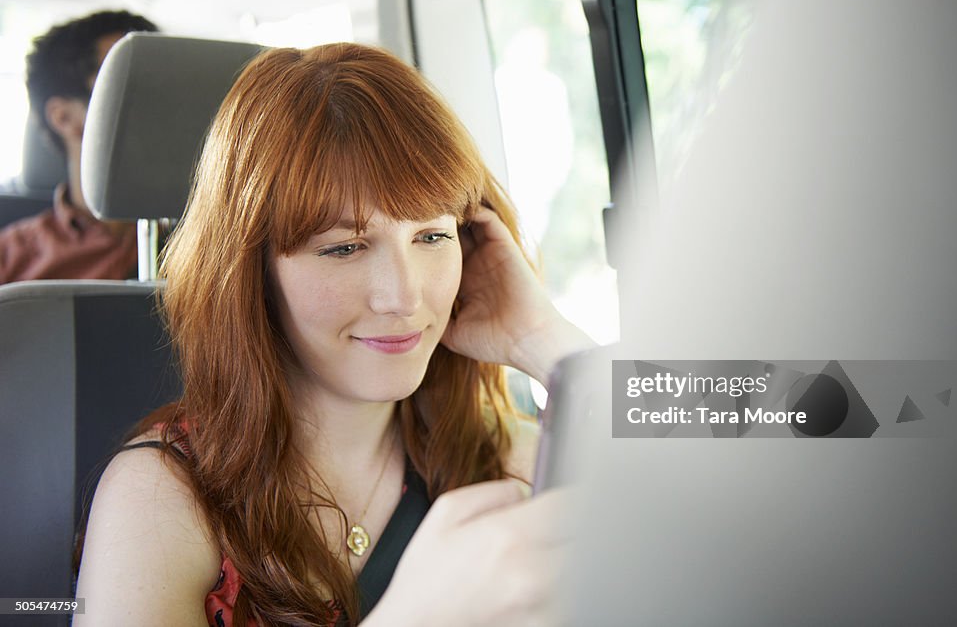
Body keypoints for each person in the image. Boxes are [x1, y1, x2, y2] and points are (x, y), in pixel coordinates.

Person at [73, 42, 593, 626]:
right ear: (254, 271)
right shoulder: (162, 498)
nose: (404, 298)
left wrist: (545, 339)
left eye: (432, 237)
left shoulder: (498, 452)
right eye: (344, 247)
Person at [0, 10, 157, 285]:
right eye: (129, 86)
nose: (158, 107)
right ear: (64, 117)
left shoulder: (220, 244)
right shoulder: (12, 261)